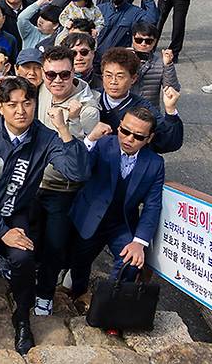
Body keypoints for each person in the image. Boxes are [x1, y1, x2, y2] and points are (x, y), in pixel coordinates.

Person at [0, 77, 90, 355]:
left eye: (27, 102)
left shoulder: (45, 137)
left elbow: (78, 172)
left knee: (23, 258)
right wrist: (0, 232)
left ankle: (22, 317)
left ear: (36, 103)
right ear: (0, 107)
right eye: (12, 104)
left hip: (16, 213)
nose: (20, 110)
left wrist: (63, 129)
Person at [69, 109, 165, 308]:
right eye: (124, 131)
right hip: (89, 216)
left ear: (149, 138)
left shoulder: (155, 163)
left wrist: (140, 242)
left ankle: (108, 305)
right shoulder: (102, 144)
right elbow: (78, 169)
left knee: (131, 262)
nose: (129, 139)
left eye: (138, 136)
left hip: (121, 223)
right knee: (79, 261)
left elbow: (152, 205)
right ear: (119, 125)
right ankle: (77, 294)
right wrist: (90, 140)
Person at [32, 46, 100, 316]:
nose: (57, 81)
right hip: (33, 182)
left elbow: (82, 158)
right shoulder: (39, 89)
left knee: (55, 244)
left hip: (62, 188)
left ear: (75, 72)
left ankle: (45, 294)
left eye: (64, 74)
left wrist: (69, 124)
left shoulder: (88, 108)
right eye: (51, 74)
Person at [98, 47, 183, 154]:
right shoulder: (92, 97)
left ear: (133, 79)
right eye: (108, 76)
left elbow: (169, 142)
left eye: (120, 76)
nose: (113, 81)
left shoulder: (143, 107)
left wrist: (170, 111)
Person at [95, 0, 158, 67]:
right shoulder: (100, 9)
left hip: (118, 58)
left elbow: (151, 20)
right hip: (97, 56)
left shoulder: (134, 12)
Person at [130, 22, 180, 109]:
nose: (143, 44)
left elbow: (172, 89)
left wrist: (168, 65)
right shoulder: (122, 58)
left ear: (154, 42)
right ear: (132, 39)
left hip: (150, 111)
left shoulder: (161, 62)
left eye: (148, 41)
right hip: (126, 110)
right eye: (139, 40)